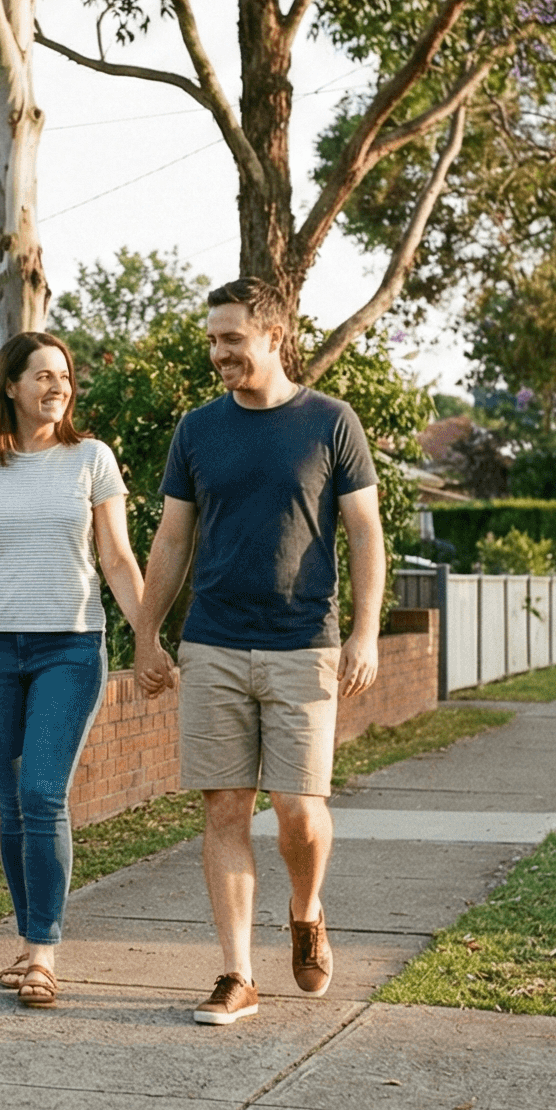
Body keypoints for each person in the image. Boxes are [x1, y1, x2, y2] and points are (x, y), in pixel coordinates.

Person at [133, 279, 386, 1026]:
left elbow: (366, 533)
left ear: (273, 336)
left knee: (300, 811)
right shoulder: (198, 431)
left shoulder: (331, 423)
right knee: (224, 807)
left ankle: (306, 910)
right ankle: (237, 972)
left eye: (231, 339)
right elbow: (172, 538)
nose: (218, 353)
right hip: (212, 641)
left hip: (303, 643)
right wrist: (147, 632)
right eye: (213, 339)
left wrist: (365, 631)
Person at [0, 331, 145, 1010]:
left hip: (69, 648)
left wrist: (149, 637)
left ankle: (44, 950)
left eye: (64, 376)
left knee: (43, 793)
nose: (57, 386)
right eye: (41, 375)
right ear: (9, 386)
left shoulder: (92, 460)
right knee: (12, 806)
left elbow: (118, 560)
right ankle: (27, 941)